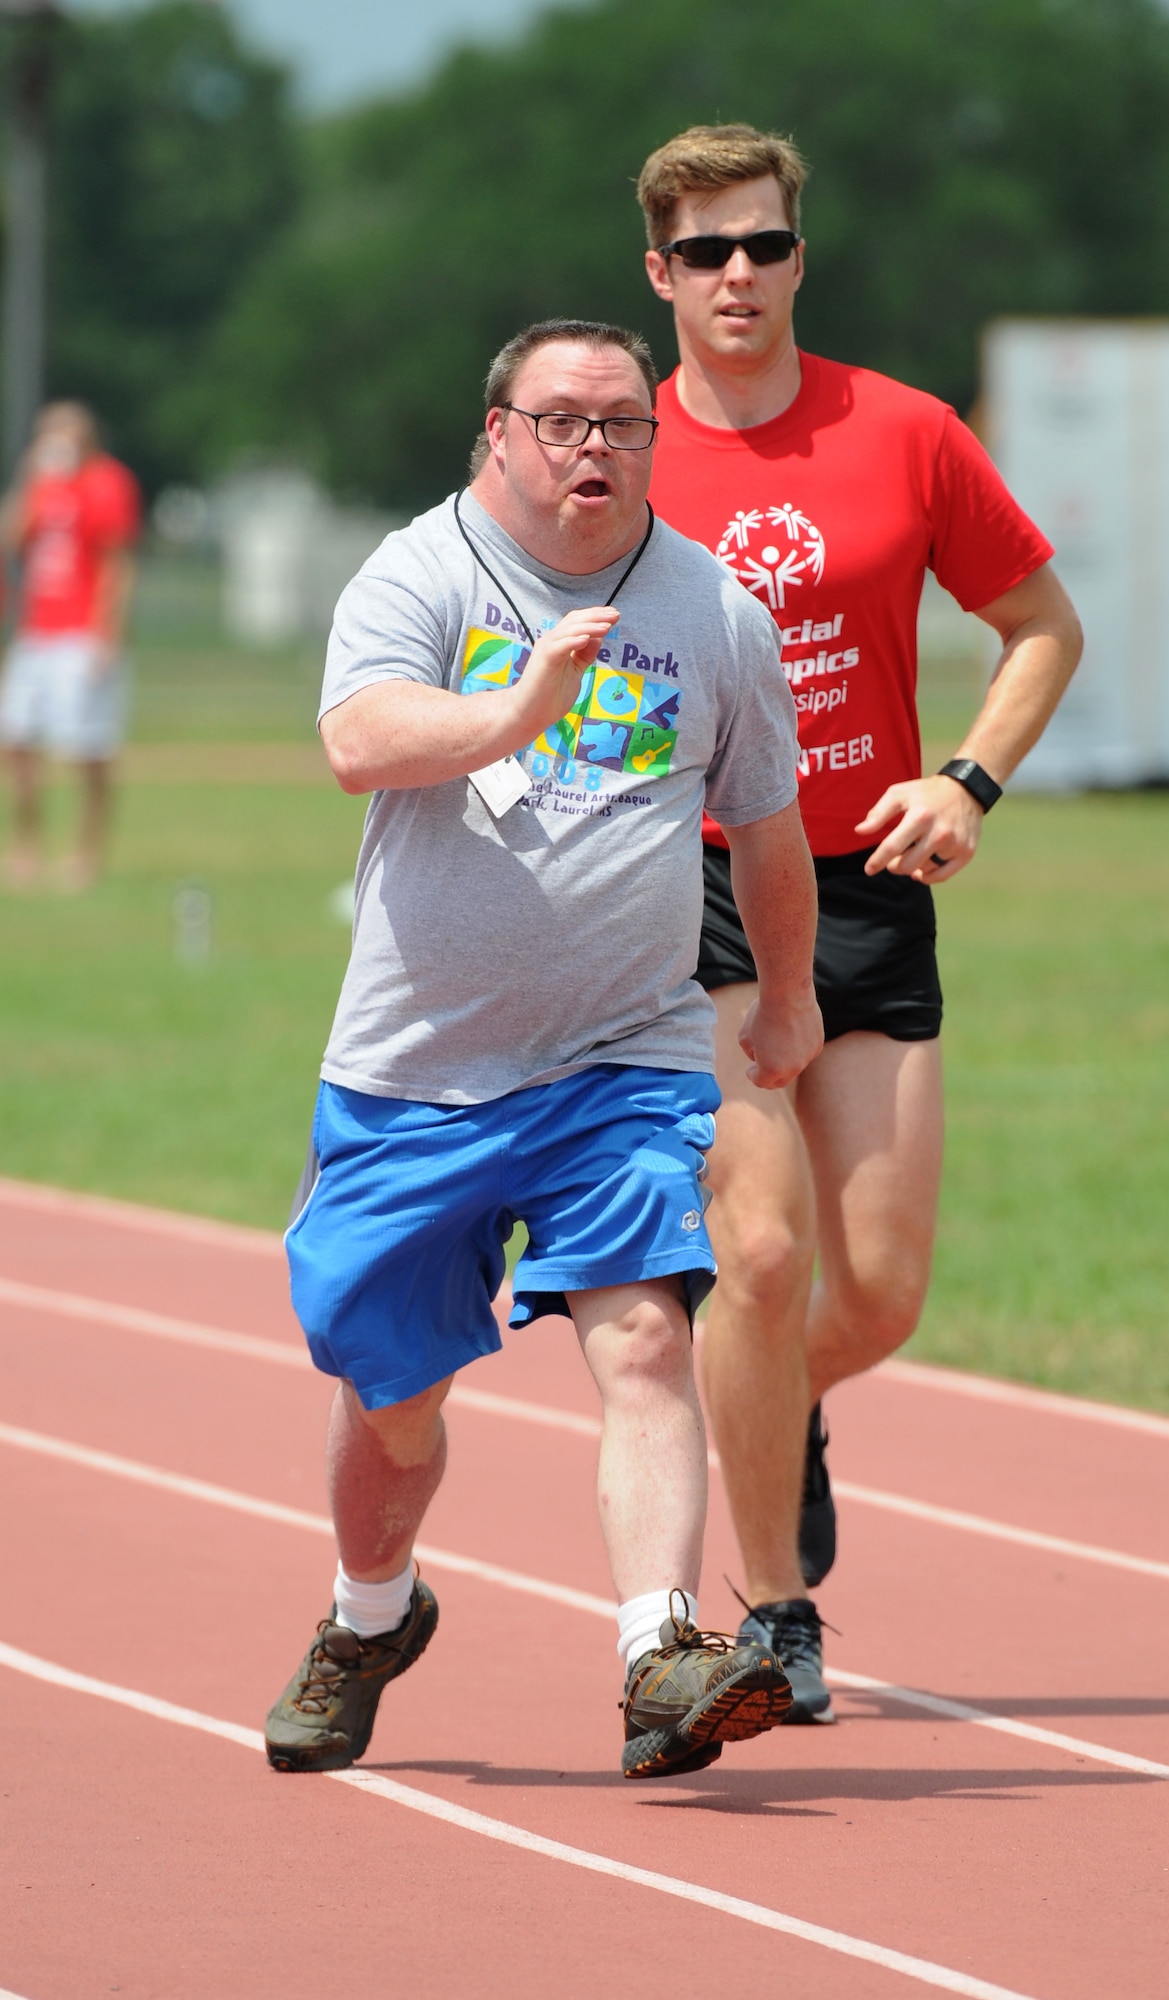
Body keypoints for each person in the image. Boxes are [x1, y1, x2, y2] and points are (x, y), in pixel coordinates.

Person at [265, 318, 825, 1782]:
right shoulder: (423, 570)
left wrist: (784, 995)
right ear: (498, 433)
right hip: (418, 1069)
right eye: (564, 421)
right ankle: (369, 1615)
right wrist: (517, 705)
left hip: (620, 1055)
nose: (596, 447)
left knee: (643, 1336)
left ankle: (659, 1652)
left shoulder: (711, 609)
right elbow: (358, 741)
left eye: (624, 423)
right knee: (392, 1406)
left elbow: (764, 821)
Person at [637, 125, 1084, 1721]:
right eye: (704, 253)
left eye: (760, 245)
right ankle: (776, 1613)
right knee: (754, 1252)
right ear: (658, 275)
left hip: (866, 886)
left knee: (876, 1288)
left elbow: (1040, 624)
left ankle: (775, 1411)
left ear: (798, 258)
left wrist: (964, 776)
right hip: (690, 882)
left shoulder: (901, 431)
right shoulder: (613, 451)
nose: (736, 275)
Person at [0, 401, 140, 891]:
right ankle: (27, 846)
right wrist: (27, 479)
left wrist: (107, 633)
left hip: (83, 635)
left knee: (88, 748)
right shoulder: (41, 486)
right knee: (15, 738)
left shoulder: (106, 482)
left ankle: (86, 851)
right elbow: (10, 539)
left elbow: (117, 561)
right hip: (36, 632)